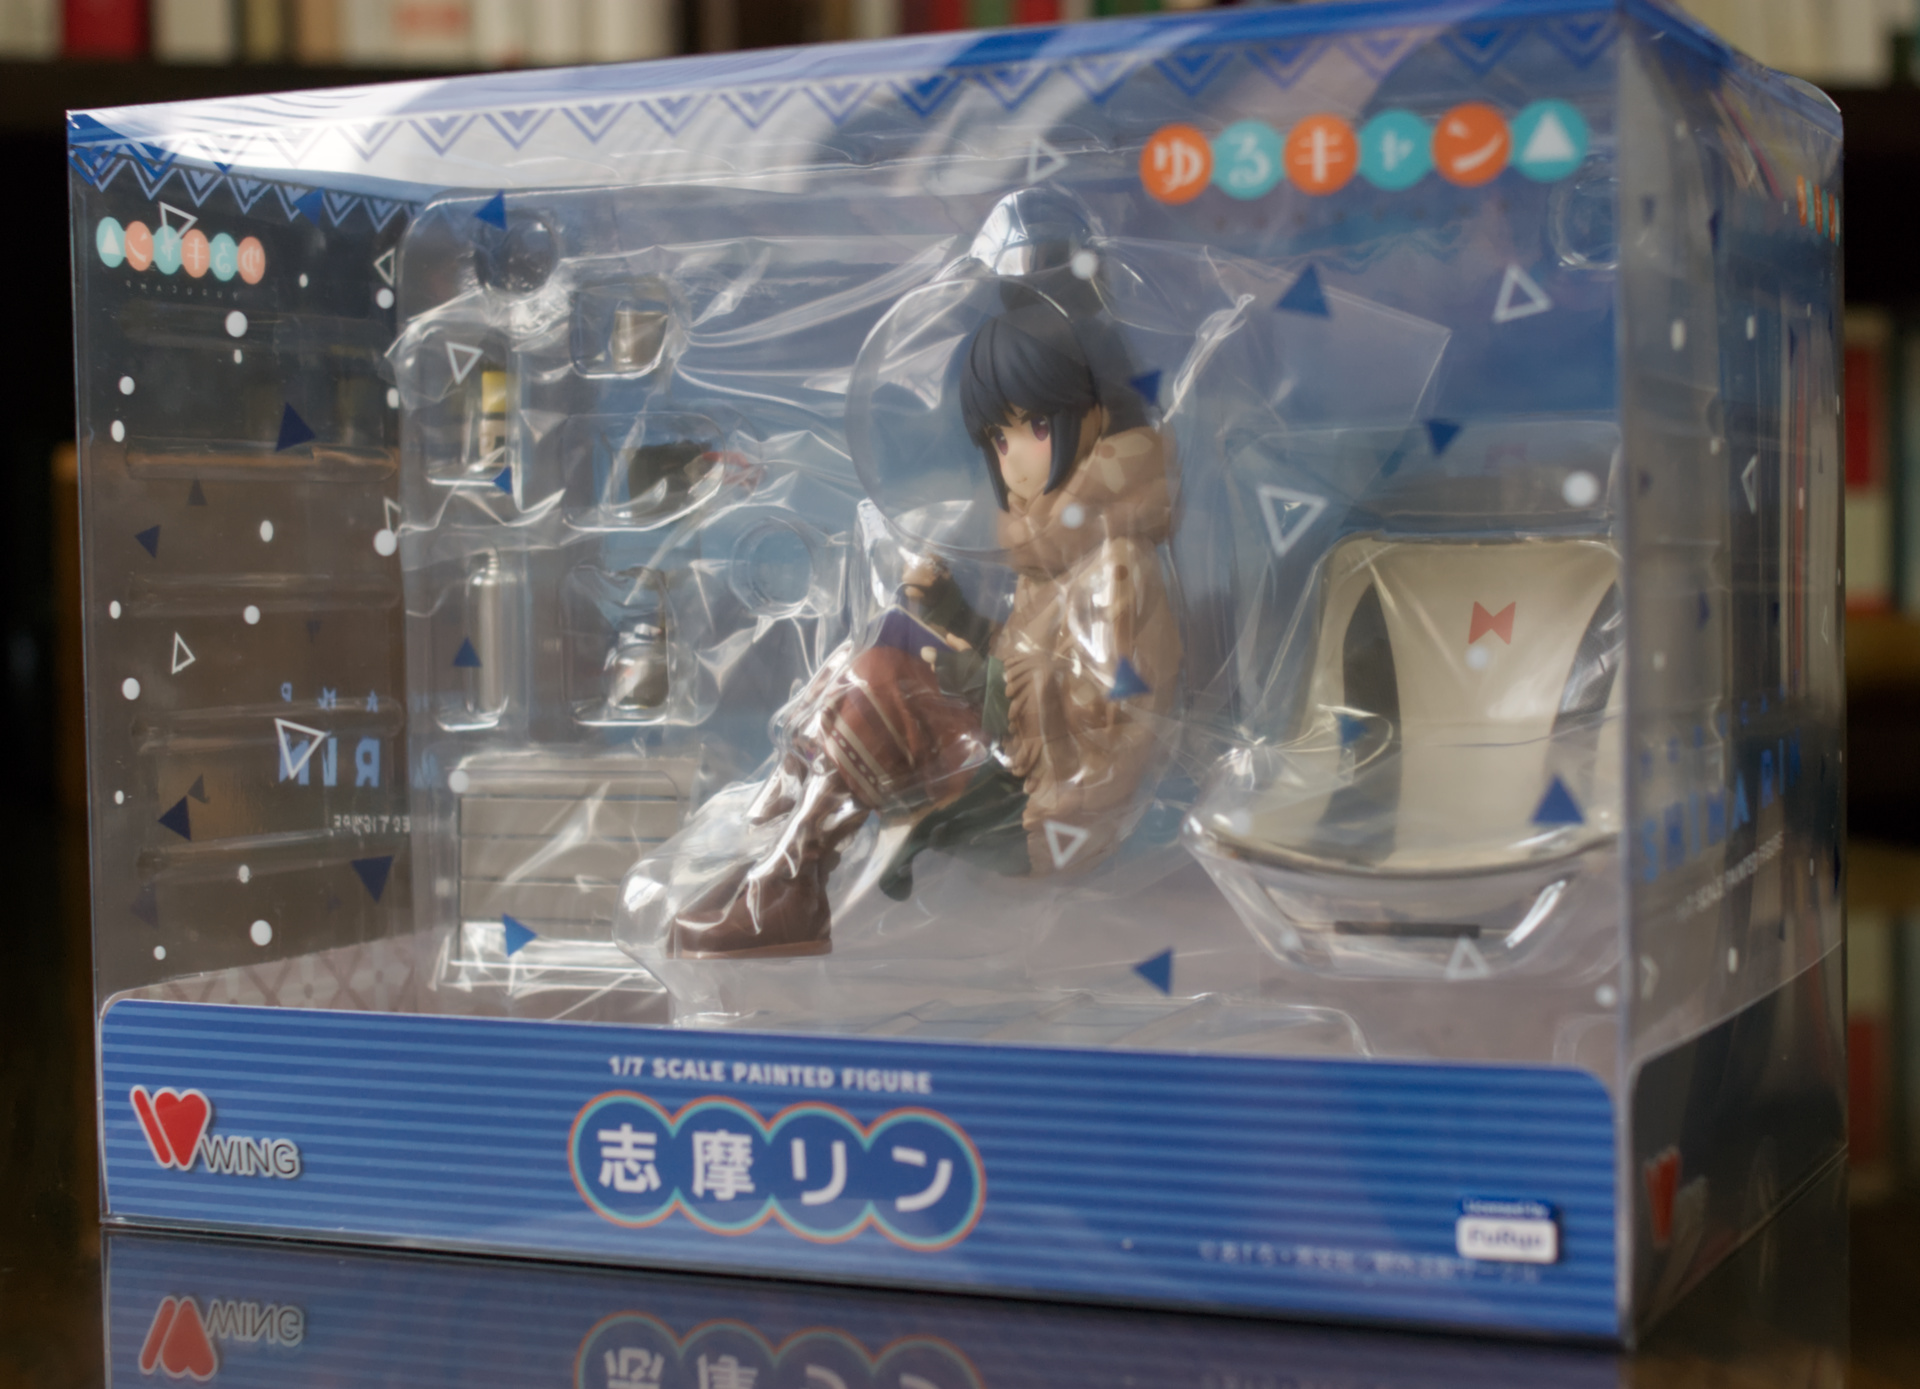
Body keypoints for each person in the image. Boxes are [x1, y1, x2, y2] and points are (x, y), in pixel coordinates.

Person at [670, 283, 1181, 958]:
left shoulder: (1115, 564)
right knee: (866, 659)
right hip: (1016, 773)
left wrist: (974, 676)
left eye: (1034, 427)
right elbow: (1020, 658)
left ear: (1096, 417)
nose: (1014, 460)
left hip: (1058, 813)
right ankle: (779, 850)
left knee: (882, 675)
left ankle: (794, 886)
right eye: (997, 437)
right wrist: (951, 614)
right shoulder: (1052, 556)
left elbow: (1106, 722)